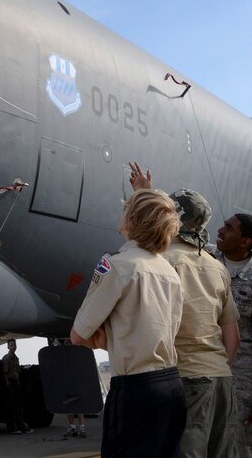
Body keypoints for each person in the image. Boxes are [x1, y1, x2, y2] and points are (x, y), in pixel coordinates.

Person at [71, 188, 186, 457]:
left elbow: (78, 335)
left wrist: (109, 340)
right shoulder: (169, 271)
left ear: (133, 221)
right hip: (171, 385)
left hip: (136, 389)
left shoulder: (116, 266)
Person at [163, 188, 241, 458]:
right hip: (221, 378)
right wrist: (219, 366)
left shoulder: (161, 262)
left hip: (186, 377)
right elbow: (232, 335)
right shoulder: (216, 266)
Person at [207, 211, 252, 457]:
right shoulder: (206, 257)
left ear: (246, 241)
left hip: (242, 383)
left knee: (247, 448)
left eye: (228, 228)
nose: (220, 231)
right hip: (203, 372)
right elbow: (171, 232)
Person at [1, 338, 30, 434]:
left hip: (16, 381)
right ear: (8, 347)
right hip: (10, 382)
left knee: (18, 406)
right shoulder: (6, 358)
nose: (13, 347)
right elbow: (5, 373)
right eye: (11, 345)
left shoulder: (16, 358)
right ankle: (11, 428)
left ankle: (21, 426)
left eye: (14, 345)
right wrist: (8, 385)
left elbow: (18, 371)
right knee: (11, 407)